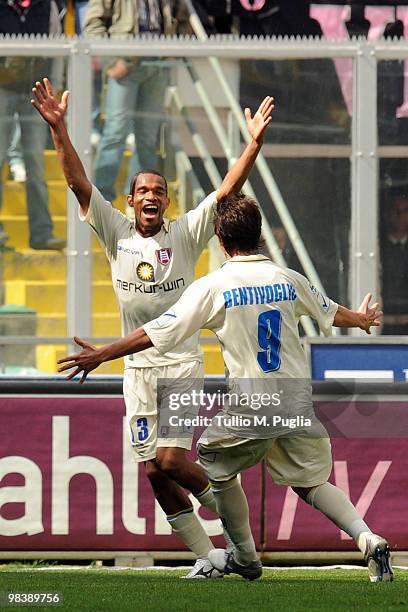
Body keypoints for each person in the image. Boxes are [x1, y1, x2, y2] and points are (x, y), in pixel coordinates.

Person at [58, 192, 392, 584]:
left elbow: (156, 332)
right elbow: (330, 312)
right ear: (260, 235)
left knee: (213, 464)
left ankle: (245, 558)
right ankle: (366, 537)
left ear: (220, 239)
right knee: (313, 483)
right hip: (297, 401)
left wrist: (102, 355)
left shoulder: (213, 286)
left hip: (253, 403)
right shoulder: (287, 277)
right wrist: (363, 319)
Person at [32, 77, 274, 578]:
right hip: (136, 369)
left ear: (166, 201)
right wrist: (59, 128)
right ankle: (209, 557)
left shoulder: (185, 233)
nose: (151, 196)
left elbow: (228, 190)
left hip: (181, 363)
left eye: (159, 192)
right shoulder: (115, 230)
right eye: (143, 190)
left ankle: (230, 520)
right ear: (129, 199)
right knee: (152, 470)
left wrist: (252, 144)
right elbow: (78, 181)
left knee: (169, 458)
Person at [84, 0, 188, 203]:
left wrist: (176, 49)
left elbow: (182, 17)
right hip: (125, 65)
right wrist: (110, 61)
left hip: (158, 64)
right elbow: (93, 22)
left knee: (147, 137)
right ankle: (100, 201)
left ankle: (140, 199)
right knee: (115, 132)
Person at [0, 0, 66, 250]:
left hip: (36, 91)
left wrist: (55, 86)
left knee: (35, 165)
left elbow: (58, 48)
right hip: (2, 89)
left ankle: (41, 233)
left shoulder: (46, 5)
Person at [381, 193, 408, 335]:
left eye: (404, 211)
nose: (400, 216)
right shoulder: (378, 248)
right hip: (383, 320)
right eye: (396, 211)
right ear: (388, 214)